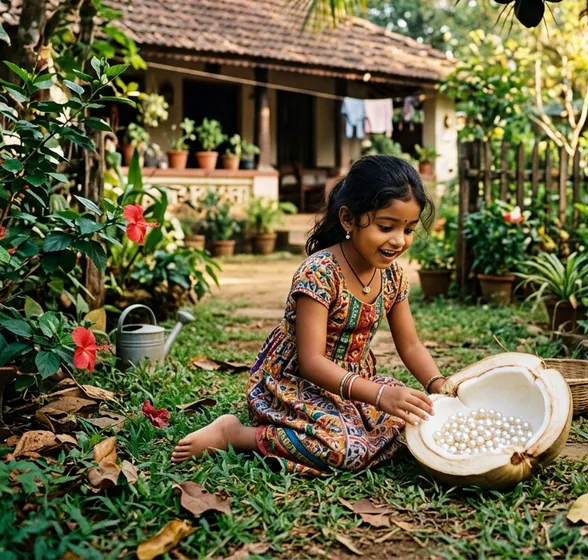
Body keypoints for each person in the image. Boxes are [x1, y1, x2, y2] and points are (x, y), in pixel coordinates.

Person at [171, 155, 448, 475]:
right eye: (386, 227)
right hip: (296, 384)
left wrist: (438, 384)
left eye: (409, 229)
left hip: (355, 383)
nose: (399, 240)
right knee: (346, 451)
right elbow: (311, 361)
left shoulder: (392, 276)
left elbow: (410, 346)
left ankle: (351, 423)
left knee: (414, 419)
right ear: (348, 219)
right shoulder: (320, 273)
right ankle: (235, 434)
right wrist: (379, 394)